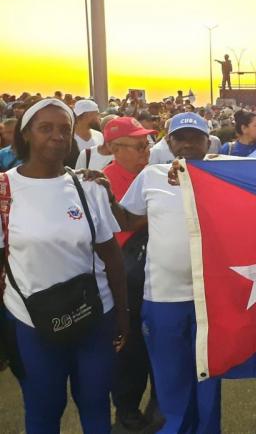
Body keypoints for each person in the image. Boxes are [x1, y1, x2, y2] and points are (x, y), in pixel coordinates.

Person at [3, 98, 129, 433]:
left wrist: (122, 314)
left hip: (93, 316)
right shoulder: (4, 190)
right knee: (44, 409)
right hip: (33, 322)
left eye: (65, 129)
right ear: (26, 134)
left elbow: (111, 256)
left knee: (95, 404)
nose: (57, 136)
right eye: (46, 128)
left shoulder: (88, 185)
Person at [105, 112, 222, 433]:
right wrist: (101, 191)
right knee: (170, 381)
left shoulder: (225, 172)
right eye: (179, 138)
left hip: (211, 300)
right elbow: (126, 221)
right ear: (168, 142)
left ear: (207, 141)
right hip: (162, 298)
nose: (187, 145)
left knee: (209, 380)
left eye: (194, 138)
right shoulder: (152, 175)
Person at [100, 116, 158, 430]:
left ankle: (152, 403)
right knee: (129, 347)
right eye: (138, 145)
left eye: (147, 143)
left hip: (150, 274)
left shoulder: (151, 175)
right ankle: (127, 408)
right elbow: (120, 228)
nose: (145, 150)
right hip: (123, 278)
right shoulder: (103, 182)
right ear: (114, 148)